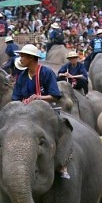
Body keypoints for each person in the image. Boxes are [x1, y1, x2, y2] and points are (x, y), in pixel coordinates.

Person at [11, 44, 69, 179]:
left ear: (31, 58)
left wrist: (39, 98)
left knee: (60, 131)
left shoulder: (46, 73)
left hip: (44, 111)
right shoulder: (22, 76)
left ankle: (62, 163)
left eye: (23, 56)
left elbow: (54, 95)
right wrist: (23, 102)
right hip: (25, 112)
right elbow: (15, 98)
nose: (20, 59)